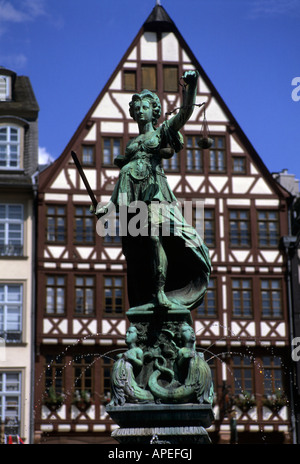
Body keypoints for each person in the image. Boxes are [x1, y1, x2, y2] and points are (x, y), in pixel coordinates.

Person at [94, 70, 211, 313]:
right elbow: (124, 177)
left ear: (154, 110)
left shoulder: (161, 132)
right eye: (136, 108)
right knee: (142, 246)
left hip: (156, 194)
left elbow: (186, 113)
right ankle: (152, 292)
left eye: (144, 107)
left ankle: (161, 291)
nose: (139, 111)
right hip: (133, 199)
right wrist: (110, 206)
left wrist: (192, 87)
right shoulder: (131, 145)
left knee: (160, 236)